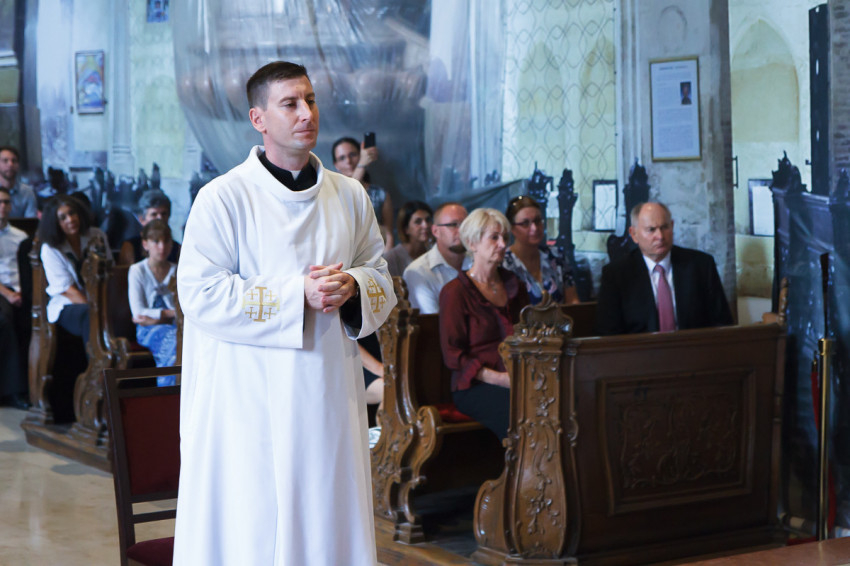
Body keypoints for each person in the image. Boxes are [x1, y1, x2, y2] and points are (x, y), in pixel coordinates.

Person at [173, 61, 396, 566]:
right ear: (258, 118)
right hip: (248, 401)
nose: (306, 113)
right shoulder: (223, 197)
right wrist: (297, 294)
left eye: (310, 100)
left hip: (327, 395)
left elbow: (380, 275)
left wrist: (353, 286)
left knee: (325, 516)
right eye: (290, 104)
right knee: (255, 525)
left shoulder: (349, 194)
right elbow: (201, 294)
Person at [439, 208, 529, 440]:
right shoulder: (455, 292)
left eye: (505, 238)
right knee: (519, 412)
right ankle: (521, 463)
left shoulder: (514, 284)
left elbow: (528, 335)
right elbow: (453, 355)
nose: (503, 245)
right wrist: (501, 379)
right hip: (475, 385)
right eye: (494, 237)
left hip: (517, 378)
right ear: (473, 243)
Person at [595, 201, 733, 336]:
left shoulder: (701, 265)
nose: (660, 236)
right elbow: (608, 333)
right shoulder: (616, 274)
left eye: (665, 227)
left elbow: (722, 323)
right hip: (640, 350)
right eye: (651, 230)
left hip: (693, 348)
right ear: (634, 234)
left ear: (672, 227)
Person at [38, 195, 110, 343]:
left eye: (72, 213)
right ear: (55, 223)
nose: (70, 220)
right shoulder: (50, 248)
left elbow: (109, 269)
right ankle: (96, 356)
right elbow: (68, 289)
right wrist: (95, 308)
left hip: (101, 296)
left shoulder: (97, 235)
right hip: (67, 302)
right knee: (89, 314)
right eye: (63, 218)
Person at [502, 195, 579, 305]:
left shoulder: (557, 256)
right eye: (525, 223)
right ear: (512, 228)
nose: (534, 228)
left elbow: (573, 301)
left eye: (537, 221)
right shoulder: (504, 263)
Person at [127, 219, 177, 384]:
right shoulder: (137, 270)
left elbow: (183, 308)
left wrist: (156, 317)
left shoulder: (176, 270)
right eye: (156, 241)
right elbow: (138, 313)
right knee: (172, 341)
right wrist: (169, 314)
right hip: (147, 329)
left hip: (176, 325)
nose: (162, 247)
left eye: (166, 241)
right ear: (145, 244)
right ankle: (167, 390)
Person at [403, 201, 470, 314]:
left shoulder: (478, 260)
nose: (461, 230)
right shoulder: (418, 272)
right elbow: (433, 321)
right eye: (453, 225)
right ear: (435, 231)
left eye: (466, 225)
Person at [0, 187, 31, 409]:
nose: (2, 206)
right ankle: (13, 391)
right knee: (4, 319)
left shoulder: (21, 236)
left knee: (36, 319)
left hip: (21, 289)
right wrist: (8, 294)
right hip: (2, 291)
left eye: (6, 202)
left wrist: (22, 292)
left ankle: (35, 386)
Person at [332, 136, 394, 236]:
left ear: (361, 155)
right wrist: (362, 164)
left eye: (352, 155)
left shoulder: (380, 194)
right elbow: (347, 194)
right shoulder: (331, 191)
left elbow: (388, 233)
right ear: (336, 165)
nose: (348, 161)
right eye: (342, 158)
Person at [117, 190, 181, 265]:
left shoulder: (177, 248)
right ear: (142, 219)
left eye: (164, 214)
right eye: (154, 214)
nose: (160, 218)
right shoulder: (130, 247)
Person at [383, 200, 433, 277]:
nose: (425, 225)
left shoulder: (433, 253)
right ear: (406, 229)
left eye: (428, 220)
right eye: (418, 221)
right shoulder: (392, 258)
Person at [0, 146, 37, 218]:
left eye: (14, 161)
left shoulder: (27, 192)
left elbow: (31, 221)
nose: (10, 164)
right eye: (5, 161)